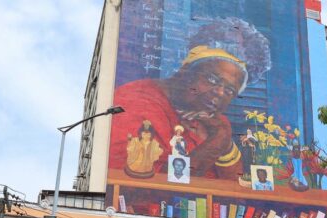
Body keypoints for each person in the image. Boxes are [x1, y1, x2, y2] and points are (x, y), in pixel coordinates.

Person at [109, 17, 271, 179]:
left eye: (229, 90)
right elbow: (141, 189)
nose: (220, 93)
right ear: (186, 71)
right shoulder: (134, 103)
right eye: (212, 79)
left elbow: (236, 193)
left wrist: (226, 144)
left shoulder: (213, 120)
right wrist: (216, 142)